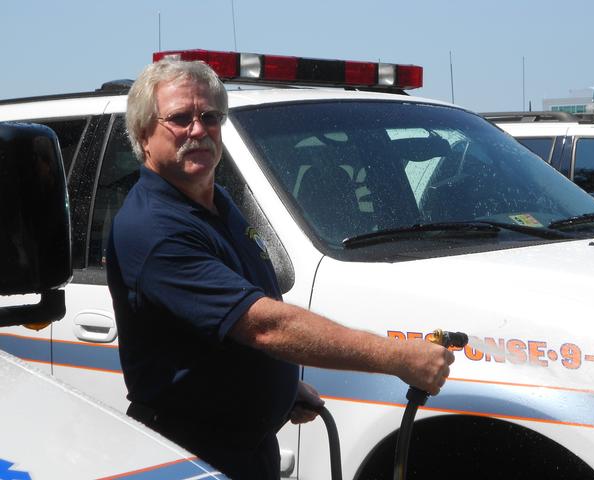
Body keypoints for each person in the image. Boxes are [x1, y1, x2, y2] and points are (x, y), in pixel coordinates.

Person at [106, 58, 455, 479]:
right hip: (191, 459)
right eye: (180, 119)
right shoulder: (154, 229)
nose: (198, 129)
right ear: (144, 135)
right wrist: (399, 356)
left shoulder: (215, 200)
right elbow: (264, 325)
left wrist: (280, 387)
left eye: (210, 116)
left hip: (245, 450)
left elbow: (234, 310)